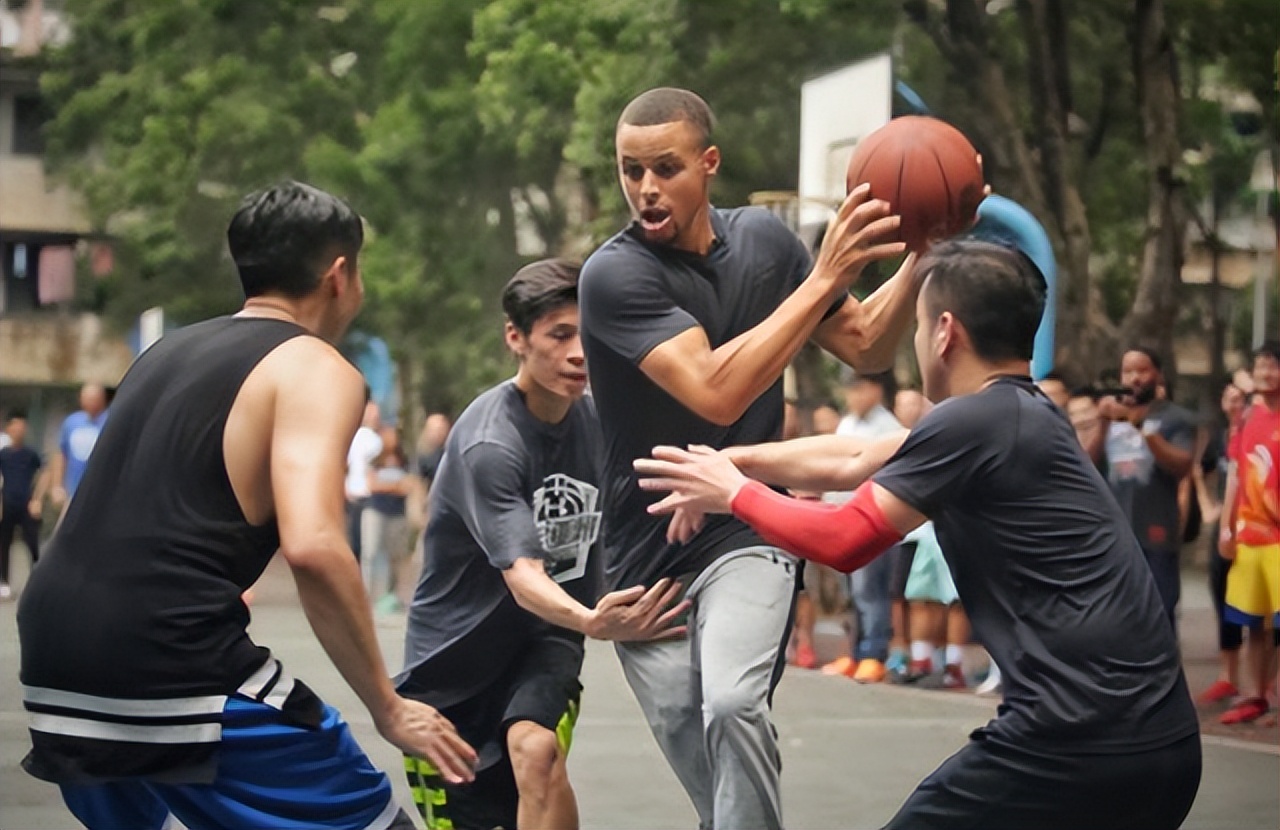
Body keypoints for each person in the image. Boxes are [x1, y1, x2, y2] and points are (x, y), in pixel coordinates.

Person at [637, 238, 1201, 830]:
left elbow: (846, 540)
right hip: (1159, 743)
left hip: (1074, 741)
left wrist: (735, 495)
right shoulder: (1020, 415)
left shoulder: (972, 421)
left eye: (918, 321)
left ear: (944, 332)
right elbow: (852, 457)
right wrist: (733, 462)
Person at [17, 181, 477, 830]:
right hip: (165, 656)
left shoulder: (161, 355)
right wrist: (387, 705)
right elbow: (314, 546)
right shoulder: (315, 367)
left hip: (52, 657)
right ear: (340, 274)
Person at [580, 86, 918, 830]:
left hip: (744, 525)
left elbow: (868, 345)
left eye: (665, 168)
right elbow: (715, 392)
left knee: (732, 705)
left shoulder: (767, 244)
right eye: (629, 170)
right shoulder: (614, 277)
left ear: (709, 164)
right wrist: (825, 278)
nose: (644, 188)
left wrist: (925, 253)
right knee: (716, 787)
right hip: (645, 565)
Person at [397, 259, 686, 830]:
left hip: (543, 642)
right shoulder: (491, 443)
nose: (579, 353)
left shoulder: (606, 422)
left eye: (588, 335)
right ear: (516, 337)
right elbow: (523, 574)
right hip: (452, 669)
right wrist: (590, 618)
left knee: (537, 752)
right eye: (559, 335)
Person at [1089, 348, 1196, 631]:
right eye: (1128, 371)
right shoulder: (1110, 414)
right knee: (1113, 619)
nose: (1134, 378)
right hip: (1114, 537)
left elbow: (1182, 464)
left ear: (1158, 375)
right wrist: (1101, 422)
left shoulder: (1175, 418)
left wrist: (1141, 426)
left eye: (1142, 370)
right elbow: (1085, 464)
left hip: (1155, 532)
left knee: (1158, 616)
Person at [821, 369, 903, 684]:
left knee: (871, 592)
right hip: (841, 518)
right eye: (849, 390)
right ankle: (854, 652)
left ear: (875, 390)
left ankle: (873, 654)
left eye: (859, 389)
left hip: (873, 521)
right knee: (851, 595)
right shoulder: (847, 424)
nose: (852, 395)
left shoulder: (889, 428)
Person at [1217, 342, 1280, 725]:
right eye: (1260, 367)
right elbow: (1236, 473)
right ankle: (1257, 694)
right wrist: (1226, 526)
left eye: (1272, 367)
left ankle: (1271, 694)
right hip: (1249, 537)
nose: (1264, 374)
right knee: (1253, 623)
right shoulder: (1246, 417)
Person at [1197, 380, 1250, 705]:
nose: (1235, 404)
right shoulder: (1219, 437)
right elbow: (1199, 471)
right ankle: (1227, 677)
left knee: (1261, 610)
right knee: (1222, 597)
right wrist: (1209, 506)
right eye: (1229, 398)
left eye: (1241, 398)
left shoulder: (1259, 431)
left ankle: (1263, 684)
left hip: (1257, 530)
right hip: (1225, 527)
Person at [364, 425, 414, 614]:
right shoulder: (375, 461)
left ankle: (390, 595)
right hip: (376, 511)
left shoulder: (404, 461)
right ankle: (367, 595)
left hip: (397, 514)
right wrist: (395, 486)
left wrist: (388, 485)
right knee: (371, 553)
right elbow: (371, 485)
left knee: (396, 556)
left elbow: (408, 485)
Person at [0, 412, 47, 600]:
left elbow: (45, 472)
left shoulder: (31, 454)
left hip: (27, 504)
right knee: (3, 544)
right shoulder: (3, 455)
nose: (19, 430)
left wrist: (37, 499)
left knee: (32, 543)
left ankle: (38, 582)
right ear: (9, 429)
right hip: (7, 503)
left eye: (22, 426)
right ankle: (4, 583)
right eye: (15, 426)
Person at [49, 382, 109, 509]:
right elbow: (61, 455)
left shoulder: (110, 421)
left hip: (102, 493)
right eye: (86, 398)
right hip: (73, 491)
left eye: (94, 398)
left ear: (102, 399)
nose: (90, 402)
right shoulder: (71, 422)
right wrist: (56, 485)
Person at [346, 398, 383, 561]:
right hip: (354, 495)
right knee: (355, 542)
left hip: (370, 495)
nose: (375, 416)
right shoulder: (354, 437)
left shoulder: (379, 439)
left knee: (366, 545)